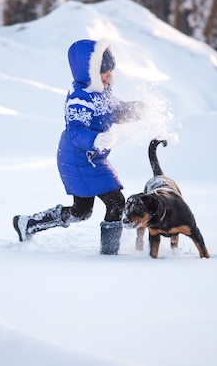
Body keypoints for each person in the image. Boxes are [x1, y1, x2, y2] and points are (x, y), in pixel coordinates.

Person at [13, 39, 145, 255]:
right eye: (103, 72)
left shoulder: (102, 92)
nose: (108, 76)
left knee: (82, 212)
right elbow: (75, 131)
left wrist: (138, 110)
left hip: (93, 158)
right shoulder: (79, 97)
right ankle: (109, 255)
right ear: (89, 72)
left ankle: (27, 224)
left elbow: (114, 111)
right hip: (77, 158)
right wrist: (94, 140)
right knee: (116, 202)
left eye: (110, 71)